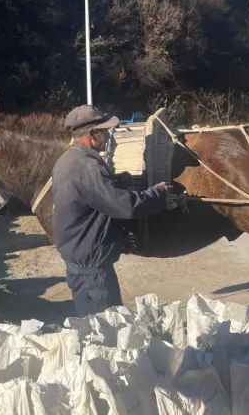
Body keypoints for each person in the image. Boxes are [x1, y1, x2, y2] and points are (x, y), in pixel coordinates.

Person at [52, 105, 173, 316]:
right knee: (107, 333)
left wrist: (117, 180)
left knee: (98, 328)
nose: (108, 136)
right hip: (93, 273)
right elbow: (124, 206)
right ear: (91, 135)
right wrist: (157, 194)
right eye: (105, 131)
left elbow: (88, 194)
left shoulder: (66, 161)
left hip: (81, 264)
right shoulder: (88, 167)